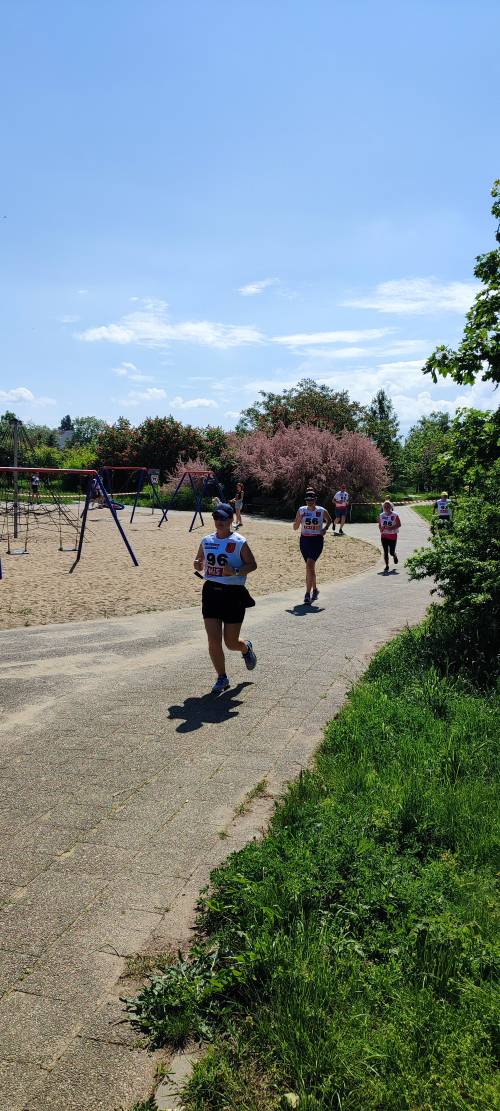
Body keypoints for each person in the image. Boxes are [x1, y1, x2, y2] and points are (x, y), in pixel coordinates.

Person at [194, 501, 258, 693]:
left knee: (230, 643)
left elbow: (252, 565)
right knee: (213, 640)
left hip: (233, 594)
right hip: (211, 591)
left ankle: (245, 648)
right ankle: (222, 677)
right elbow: (199, 560)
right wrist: (197, 563)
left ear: (231, 519)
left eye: (223, 518)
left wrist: (236, 570)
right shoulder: (206, 540)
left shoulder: (239, 542)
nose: (219, 521)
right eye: (216, 517)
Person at [293, 488, 332, 604]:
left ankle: (307, 594)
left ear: (315, 500)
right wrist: (298, 520)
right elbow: (295, 528)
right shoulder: (301, 510)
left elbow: (329, 520)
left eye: (311, 500)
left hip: (317, 540)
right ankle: (315, 590)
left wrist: (325, 529)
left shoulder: (321, 510)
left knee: (309, 565)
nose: (309, 502)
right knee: (310, 567)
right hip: (304, 540)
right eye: (307, 500)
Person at [379, 500, 401, 574]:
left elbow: (399, 524)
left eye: (388, 506)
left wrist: (391, 528)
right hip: (384, 536)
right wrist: (381, 529)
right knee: (385, 552)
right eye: (385, 506)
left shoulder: (395, 515)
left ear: (391, 507)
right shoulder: (381, 515)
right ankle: (387, 565)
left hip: (392, 535)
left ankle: (394, 555)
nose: (386, 508)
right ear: (383, 507)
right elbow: (379, 525)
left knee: (391, 552)